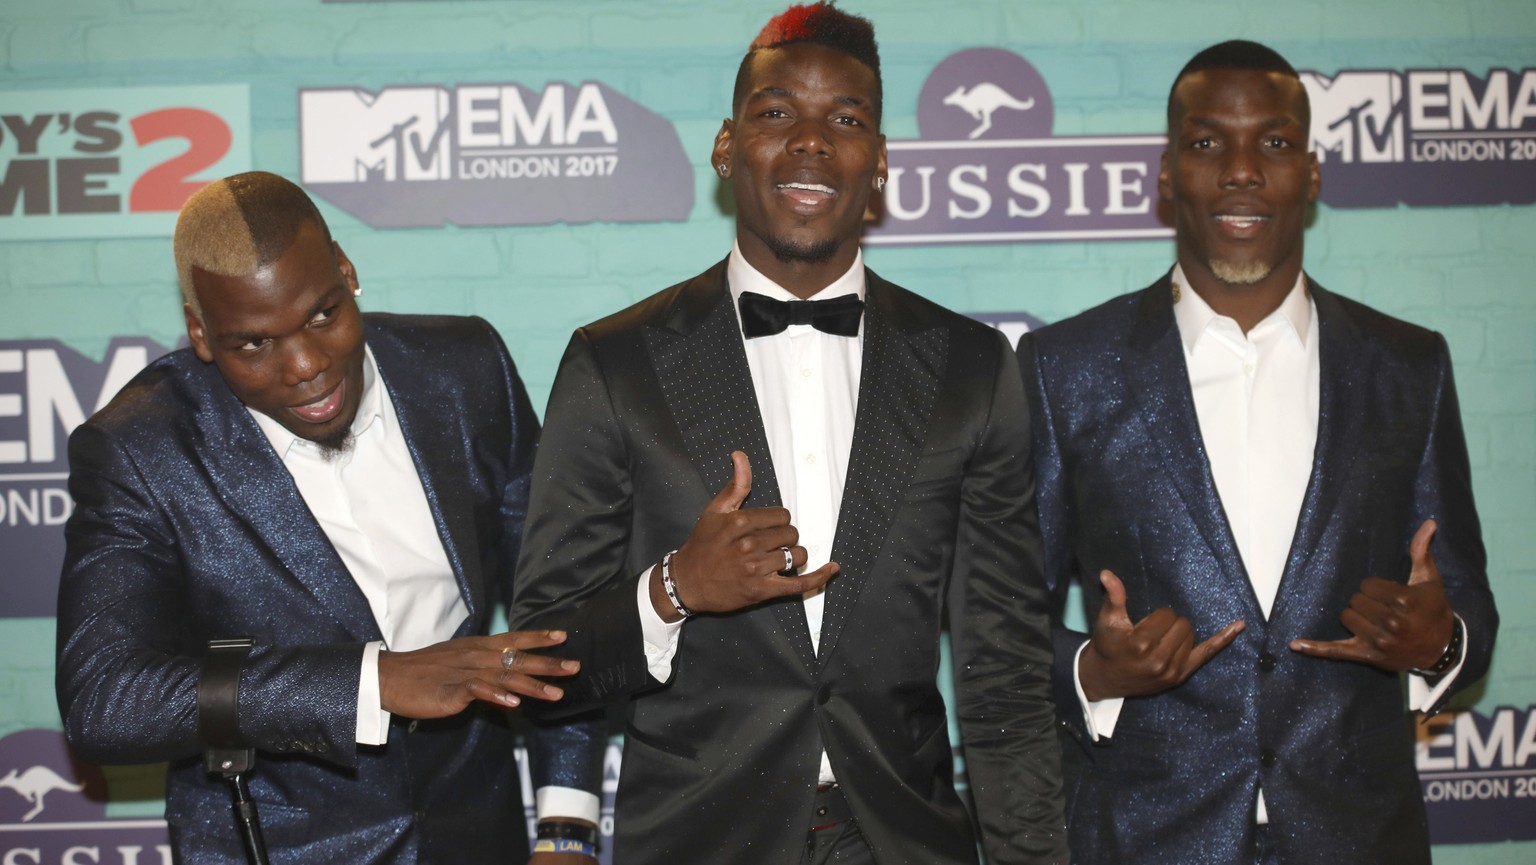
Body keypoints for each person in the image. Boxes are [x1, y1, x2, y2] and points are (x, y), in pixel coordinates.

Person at [510, 4, 1066, 864]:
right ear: (727, 147)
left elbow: (1006, 673)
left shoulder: (970, 366)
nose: (811, 140)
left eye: (845, 120)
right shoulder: (614, 364)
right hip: (699, 838)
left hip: (906, 839)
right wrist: (673, 587)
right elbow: (545, 661)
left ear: (878, 162)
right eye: (777, 114)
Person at [1019, 40, 1498, 864]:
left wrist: (1439, 640)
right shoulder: (1068, 369)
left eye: (1273, 143)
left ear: (1311, 174)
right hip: (1140, 838)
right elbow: (1000, 619)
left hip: (1360, 836)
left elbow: (1467, 612)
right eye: (1207, 143)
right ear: (1167, 175)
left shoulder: (1409, 366)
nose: (1241, 169)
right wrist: (1096, 669)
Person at [55, 171, 604, 864]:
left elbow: (558, 598)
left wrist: (567, 820)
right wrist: (371, 681)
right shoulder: (141, 448)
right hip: (277, 843)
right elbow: (105, 699)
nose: (307, 365)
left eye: (323, 315)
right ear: (201, 331)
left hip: (475, 824)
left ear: (346, 270)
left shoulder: (465, 371)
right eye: (253, 343)